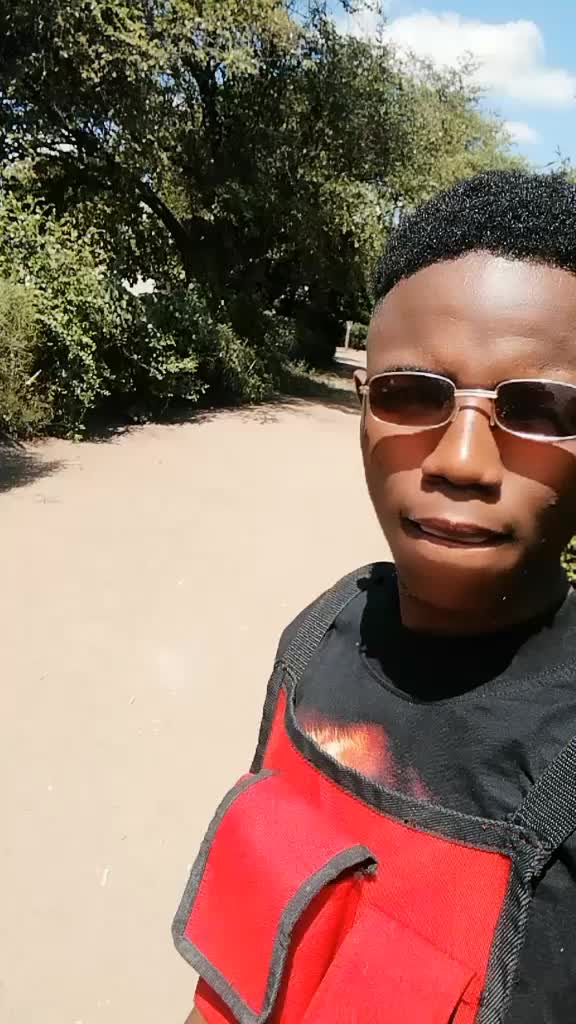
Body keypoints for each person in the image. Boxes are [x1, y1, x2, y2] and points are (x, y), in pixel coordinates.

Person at [175, 170, 576, 1023]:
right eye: (411, 394)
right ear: (363, 410)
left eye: (540, 409)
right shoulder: (317, 638)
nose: (461, 461)